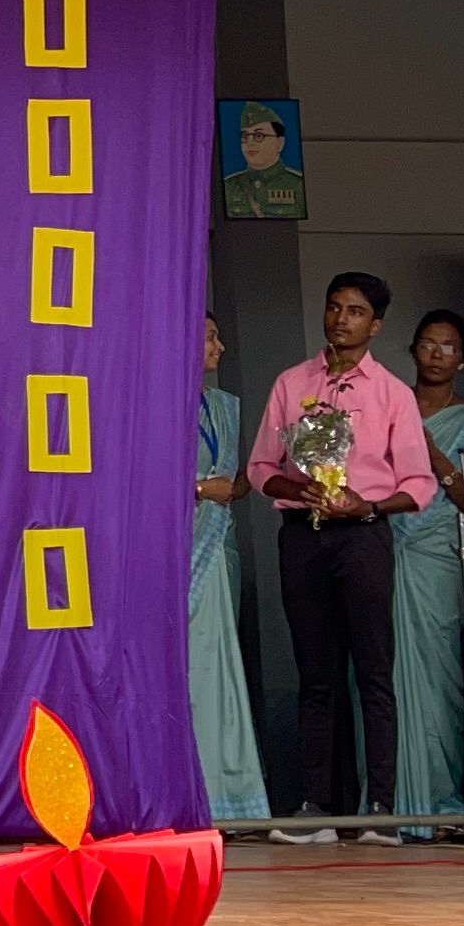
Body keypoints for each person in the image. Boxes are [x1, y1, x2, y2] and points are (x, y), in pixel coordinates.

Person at [245, 271, 435, 843]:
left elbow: (419, 484)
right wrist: (295, 488)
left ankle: (381, 808)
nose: (340, 319)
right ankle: (316, 808)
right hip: (303, 536)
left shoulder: (393, 393)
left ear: (375, 326)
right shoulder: (291, 383)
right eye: (334, 307)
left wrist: (368, 505)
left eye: (355, 311)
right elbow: (260, 468)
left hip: (363, 536)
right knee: (315, 673)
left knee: (373, 671)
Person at [391, 310, 464, 829]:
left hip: (438, 560)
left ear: (462, 359)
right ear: (412, 350)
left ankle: (439, 802)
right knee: (380, 679)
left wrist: (436, 457)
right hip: (380, 555)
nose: (437, 354)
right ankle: (389, 803)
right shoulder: (386, 408)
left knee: (438, 683)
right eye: (428, 343)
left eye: (449, 346)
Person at [191, 313, 270, 824]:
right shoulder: (150, 402)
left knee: (222, 667)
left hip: (219, 547)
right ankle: (193, 791)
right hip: (177, 555)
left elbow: (237, 480)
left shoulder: (220, 406)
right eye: (210, 338)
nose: (219, 347)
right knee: (191, 671)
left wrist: (235, 486)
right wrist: (199, 489)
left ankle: (230, 795)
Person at [221, 102, 306, 219]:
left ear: (279, 143)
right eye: (245, 136)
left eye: (259, 136)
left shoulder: (298, 185)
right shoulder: (228, 186)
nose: (250, 143)